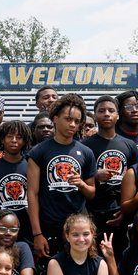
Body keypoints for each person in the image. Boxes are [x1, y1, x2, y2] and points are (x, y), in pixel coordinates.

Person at [27, 94, 96, 264]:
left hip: (78, 228)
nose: (72, 124)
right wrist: (37, 233)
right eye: (68, 119)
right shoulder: (38, 151)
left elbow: (91, 193)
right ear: (55, 118)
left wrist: (81, 184)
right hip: (49, 226)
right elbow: (32, 194)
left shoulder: (86, 152)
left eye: (77, 121)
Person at [83, 95, 138, 251]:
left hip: (122, 211)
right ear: (95, 115)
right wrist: (95, 175)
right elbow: (78, 179)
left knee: (122, 255)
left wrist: (125, 210)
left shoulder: (129, 145)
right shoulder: (85, 146)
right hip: (93, 212)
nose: (106, 114)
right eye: (101, 111)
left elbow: (137, 179)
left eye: (111, 110)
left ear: (118, 115)